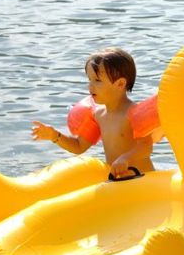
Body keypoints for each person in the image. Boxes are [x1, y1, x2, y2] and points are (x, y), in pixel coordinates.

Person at [31, 47, 154, 179]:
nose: (90, 86)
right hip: (118, 180)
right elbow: (79, 146)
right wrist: (55, 135)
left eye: (97, 80)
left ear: (120, 84)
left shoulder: (133, 114)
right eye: (89, 79)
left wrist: (125, 158)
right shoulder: (98, 115)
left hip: (141, 177)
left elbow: (146, 147)